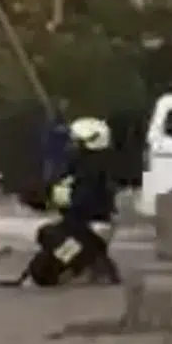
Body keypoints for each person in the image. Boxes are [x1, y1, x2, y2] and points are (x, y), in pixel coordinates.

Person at [31, 115, 120, 286]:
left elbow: (80, 200)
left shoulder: (94, 170)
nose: (71, 146)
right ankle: (86, 259)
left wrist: (47, 196)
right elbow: (65, 190)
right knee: (46, 242)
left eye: (76, 142)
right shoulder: (81, 166)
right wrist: (43, 195)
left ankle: (92, 261)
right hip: (79, 225)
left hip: (90, 229)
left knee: (52, 239)